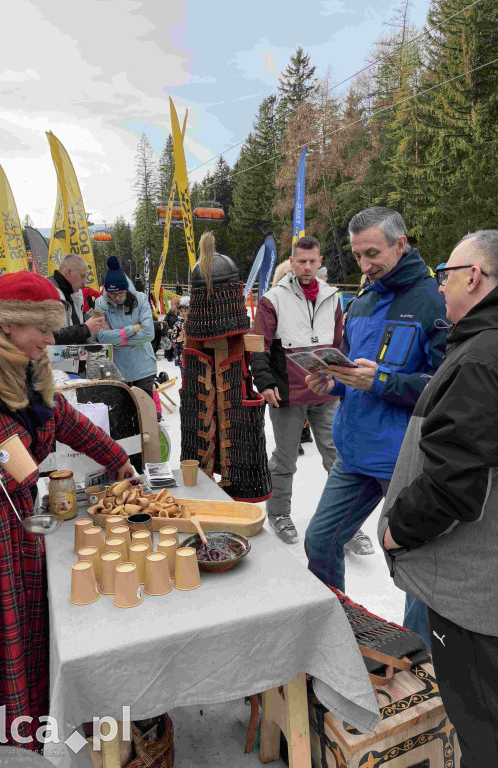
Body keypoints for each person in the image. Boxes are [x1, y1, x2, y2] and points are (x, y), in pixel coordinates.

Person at [0, 272, 133, 765]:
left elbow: (62, 418)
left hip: (12, 531)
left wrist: (117, 459)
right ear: (9, 326)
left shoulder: (24, 370)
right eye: (42, 329)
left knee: (19, 647)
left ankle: (23, 743)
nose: (50, 340)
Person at [378, 230, 498, 765]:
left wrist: (397, 530)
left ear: (473, 276)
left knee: (480, 729)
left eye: (446, 275)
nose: (441, 286)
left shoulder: (480, 357)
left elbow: (454, 483)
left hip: (474, 594)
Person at [304, 207, 447, 606]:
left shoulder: (435, 301)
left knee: (411, 559)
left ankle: (418, 655)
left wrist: (383, 381)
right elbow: (351, 369)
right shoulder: (362, 301)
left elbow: (448, 388)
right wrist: (333, 381)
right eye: (357, 256)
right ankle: (337, 629)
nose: (365, 266)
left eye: (372, 254)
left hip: (405, 459)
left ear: (400, 245)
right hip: (354, 451)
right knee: (319, 540)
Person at [250, 236, 343, 544]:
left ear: (319, 261)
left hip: (326, 390)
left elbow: (341, 343)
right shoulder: (273, 299)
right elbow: (256, 344)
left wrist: (344, 378)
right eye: (301, 261)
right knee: (286, 458)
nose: (307, 267)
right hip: (287, 392)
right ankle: (278, 512)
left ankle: (344, 519)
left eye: (312, 261)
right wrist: (264, 381)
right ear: (291, 262)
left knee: (337, 457)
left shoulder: (333, 296)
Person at [94, 256, 157, 397]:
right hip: (117, 369)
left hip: (143, 368)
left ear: (127, 290)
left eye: (120, 293)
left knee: (145, 413)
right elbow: (103, 337)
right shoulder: (100, 304)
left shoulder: (140, 299)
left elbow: (148, 334)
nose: (116, 298)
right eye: (112, 294)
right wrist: (132, 329)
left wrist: (119, 340)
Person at [48, 254, 106, 344]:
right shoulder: (48, 292)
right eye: (82, 276)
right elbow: (51, 336)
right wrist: (86, 328)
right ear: (69, 272)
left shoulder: (75, 293)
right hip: (54, 356)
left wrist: (92, 346)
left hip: (69, 356)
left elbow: (76, 333)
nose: (85, 282)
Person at [171, 295, 189, 370]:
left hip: (193, 353)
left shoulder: (194, 323)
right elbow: (172, 338)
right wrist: (176, 339)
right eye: (181, 311)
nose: (183, 313)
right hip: (182, 354)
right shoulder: (178, 324)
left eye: (185, 311)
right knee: (183, 373)